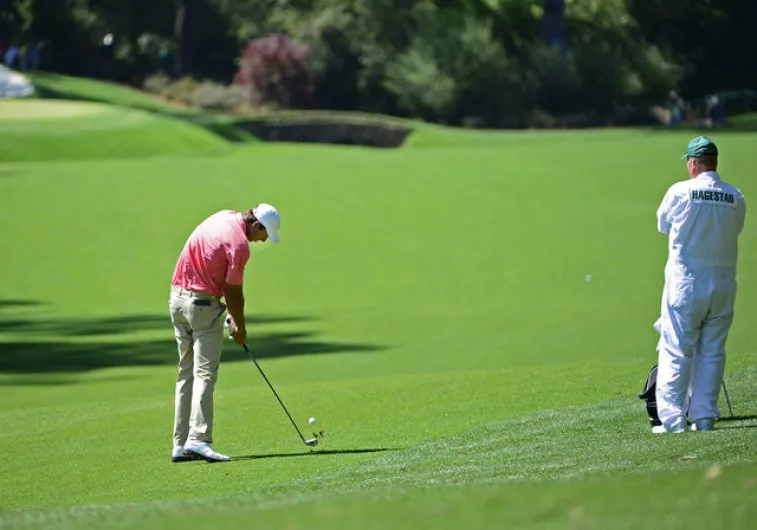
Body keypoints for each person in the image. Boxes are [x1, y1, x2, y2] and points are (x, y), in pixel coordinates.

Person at [169, 204, 281, 462]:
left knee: (185, 373)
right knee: (204, 373)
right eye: (264, 234)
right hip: (202, 307)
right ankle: (198, 440)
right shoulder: (240, 245)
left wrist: (229, 313)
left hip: (177, 301)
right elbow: (233, 291)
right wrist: (240, 326)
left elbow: (212, 265)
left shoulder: (223, 216)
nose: (263, 240)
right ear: (257, 225)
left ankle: (179, 443)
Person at [653, 136, 746, 434]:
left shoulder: (680, 192)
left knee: (677, 348)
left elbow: (662, 225)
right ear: (714, 162)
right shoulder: (736, 196)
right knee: (713, 350)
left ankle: (673, 420)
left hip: (687, 284)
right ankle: (704, 417)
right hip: (722, 285)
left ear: (693, 163)